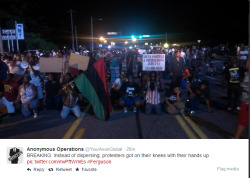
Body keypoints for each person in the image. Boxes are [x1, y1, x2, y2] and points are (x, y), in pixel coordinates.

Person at [233, 60, 249, 139]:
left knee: (242, 120)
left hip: (246, 101)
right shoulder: (246, 73)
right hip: (245, 100)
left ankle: (236, 138)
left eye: (245, 63)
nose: (244, 65)